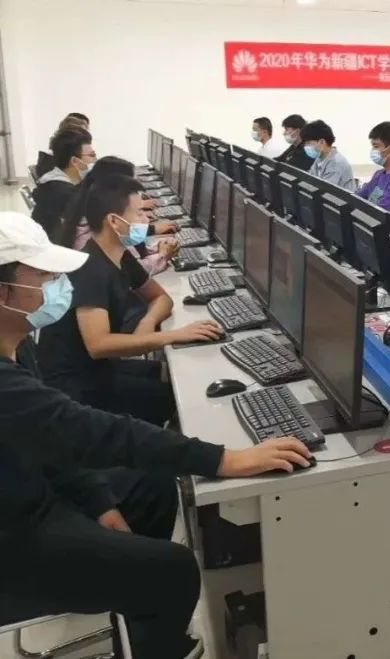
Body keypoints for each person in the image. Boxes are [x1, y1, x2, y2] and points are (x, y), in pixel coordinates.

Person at [0, 211, 313, 659]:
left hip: (32, 489)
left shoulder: (15, 341)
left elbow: (52, 442)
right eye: (45, 277)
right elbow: (87, 431)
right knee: (173, 571)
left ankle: (136, 609)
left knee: (153, 487)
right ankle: (153, 625)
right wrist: (223, 458)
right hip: (14, 537)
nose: (57, 286)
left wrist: (100, 502)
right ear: (3, 292)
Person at [37, 175, 223, 425]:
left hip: (96, 367)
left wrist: (147, 324)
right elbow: (98, 344)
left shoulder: (119, 256)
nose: (147, 220)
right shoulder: (91, 269)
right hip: (74, 386)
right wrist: (174, 335)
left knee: (165, 373)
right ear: (114, 221)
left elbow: (161, 298)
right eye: (139, 213)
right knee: (172, 398)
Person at [58, 157, 179, 276]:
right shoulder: (89, 233)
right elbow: (130, 273)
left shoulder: (94, 211)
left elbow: (128, 246)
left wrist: (157, 248)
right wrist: (162, 256)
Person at [32, 129, 95, 240]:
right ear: (75, 161)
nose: (95, 160)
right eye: (92, 155)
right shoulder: (62, 192)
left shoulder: (54, 182)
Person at [356, 122, 390, 215]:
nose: (373, 151)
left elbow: (380, 214)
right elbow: (357, 197)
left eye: (376, 146)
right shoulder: (378, 174)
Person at [299, 119, 354, 189]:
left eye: (308, 143)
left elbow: (324, 190)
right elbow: (309, 180)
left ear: (322, 142)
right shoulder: (320, 159)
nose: (305, 147)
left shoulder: (336, 163)